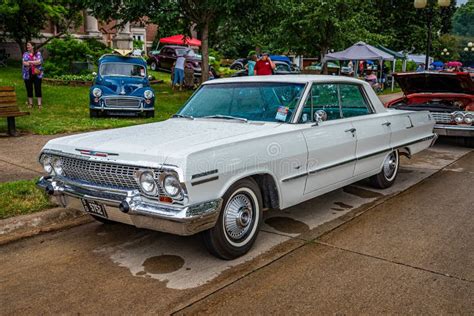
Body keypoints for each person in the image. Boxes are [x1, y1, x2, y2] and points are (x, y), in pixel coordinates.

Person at [22, 42, 43, 109]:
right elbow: (24, 63)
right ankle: (30, 104)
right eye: (27, 45)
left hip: (37, 74)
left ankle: (39, 104)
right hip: (27, 74)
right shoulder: (25, 54)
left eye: (28, 45)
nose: (27, 46)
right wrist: (34, 62)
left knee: (38, 88)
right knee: (29, 88)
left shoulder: (38, 53)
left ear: (33, 46)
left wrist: (30, 62)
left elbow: (39, 62)